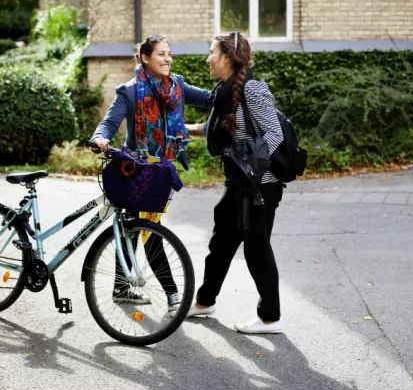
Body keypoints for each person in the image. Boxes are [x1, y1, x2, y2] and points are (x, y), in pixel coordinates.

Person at [91, 34, 211, 313]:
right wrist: (99, 138)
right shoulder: (130, 91)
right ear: (145, 58)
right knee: (149, 231)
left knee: (135, 227)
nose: (168, 58)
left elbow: (208, 99)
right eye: (161, 54)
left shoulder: (177, 86)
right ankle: (172, 295)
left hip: (161, 171)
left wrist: (238, 88)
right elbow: (109, 122)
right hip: (136, 171)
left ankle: (121, 287)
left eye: (169, 53)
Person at [185, 32, 285, 334]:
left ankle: (270, 318)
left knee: (256, 249)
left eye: (211, 52)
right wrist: (182, 129)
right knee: (222, 241)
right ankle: (205, 301)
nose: (207, 58)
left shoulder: (252, 90)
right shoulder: (226, 92)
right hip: (240, 184)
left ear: (227, 57)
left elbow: (275, 134)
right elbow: (219, 129)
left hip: (260, 186)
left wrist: (249, 169)